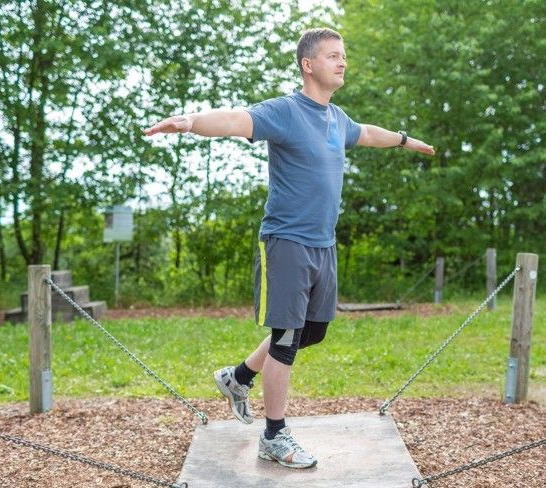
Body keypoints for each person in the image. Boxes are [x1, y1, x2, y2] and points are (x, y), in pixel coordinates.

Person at [143, 27, 434, 470]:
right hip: (286, 242)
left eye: (343, 55)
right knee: (286, 337)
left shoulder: (337, 118)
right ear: (308, 64)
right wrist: (191, 121)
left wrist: (404, 139)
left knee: (312, 332)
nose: (342, 62)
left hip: (323, 245)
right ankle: (274, 436)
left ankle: (238, 377)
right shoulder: (285, 111)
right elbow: (235, 120)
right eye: (333, 55)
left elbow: (366, 134)